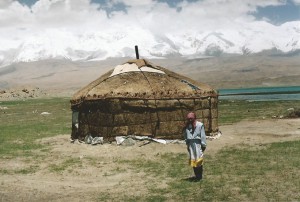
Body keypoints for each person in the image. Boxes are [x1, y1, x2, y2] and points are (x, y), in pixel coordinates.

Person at [183, 112, 207, 181]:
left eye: (191, 118)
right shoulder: (187, 126)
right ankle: (196, 176)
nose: (190, 120)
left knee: (199, 160)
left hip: (198, 144)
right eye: (188, 119)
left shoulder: (200, 125)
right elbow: (185, 136)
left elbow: (203, 136)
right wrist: (187, 144)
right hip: (191, 144)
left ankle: (200, 176)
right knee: (193, 160)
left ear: (194, 118)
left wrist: (203, 145)